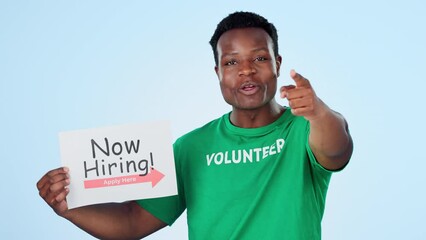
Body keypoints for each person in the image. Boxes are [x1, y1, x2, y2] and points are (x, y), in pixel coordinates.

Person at [37, 11, 353, 240]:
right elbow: (133, 222)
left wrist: (319, 111)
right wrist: (68, 208)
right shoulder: (191, 148)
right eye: (231, 62)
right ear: (218, 71)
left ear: (277, 64)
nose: (246, 71)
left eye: (259, 58)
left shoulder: (305, 129)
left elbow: (337, 150)